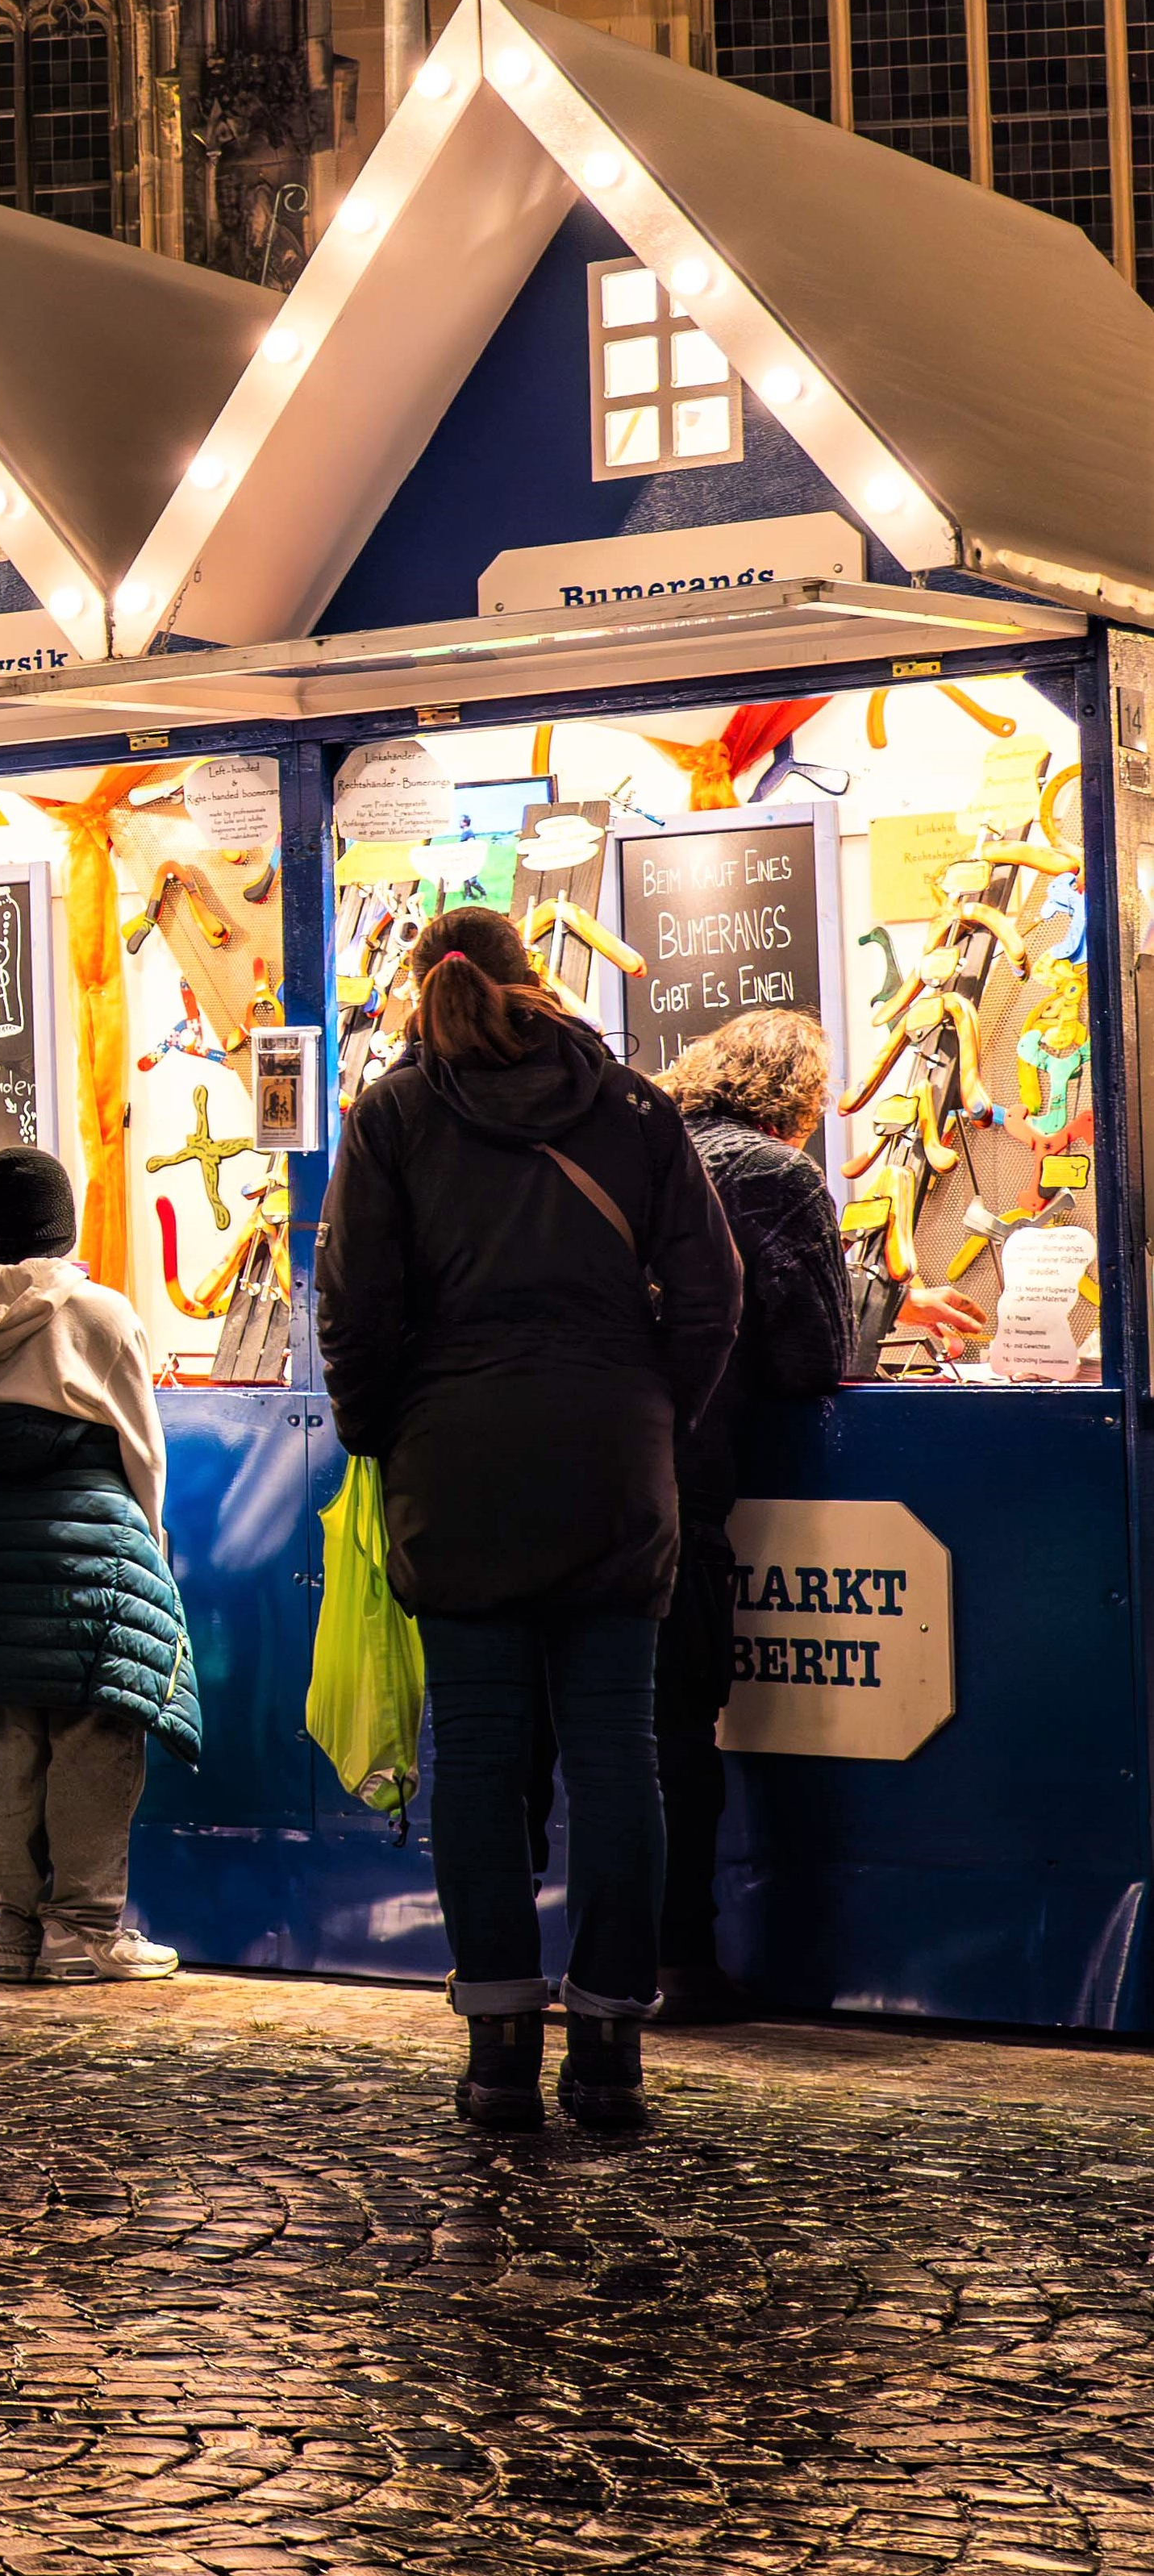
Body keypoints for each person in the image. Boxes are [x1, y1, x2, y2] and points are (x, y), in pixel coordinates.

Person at [319, 903, 738, 2133]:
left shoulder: (392, 1118)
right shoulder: (638, 1110)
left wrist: (383, 1430)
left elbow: (353, 1306)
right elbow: (714, 1290)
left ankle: (500, 2046)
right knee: (618, 1754)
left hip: (456, 1465)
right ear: (535, 978)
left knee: (479, 1750)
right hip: (614, 1460)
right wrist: (656, 1404)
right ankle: (609, 2045)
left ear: (422, 988)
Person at [652, 1008, 982, 2022]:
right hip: (685, 1488)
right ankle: (681, 1962)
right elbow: (808, 1358)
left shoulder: (646, 1149)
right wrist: (864, 1307)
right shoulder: (776, 1170)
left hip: (583, 1473)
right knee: (677, 1733)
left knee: (591, 1731)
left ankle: (564, 1968)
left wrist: (885, 1294)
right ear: (797, 1098)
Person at [0, 1147, 197, 1983]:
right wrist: (149, 1538)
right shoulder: (102, 1312)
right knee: (93, 1738)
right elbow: (142, 1448)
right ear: (64, 1223)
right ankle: (82, 1930)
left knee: (8, 1744)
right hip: (95, 1545)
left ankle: (11, 1934)